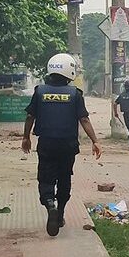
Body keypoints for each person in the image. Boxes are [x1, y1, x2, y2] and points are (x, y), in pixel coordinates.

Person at [22, 53, 102, 237]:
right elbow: (84, 119)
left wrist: (26, 137)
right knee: (64, 177)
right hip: (68, 144)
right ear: (70, 71)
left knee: (46, 176)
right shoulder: (75, 94)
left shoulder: (40, 91)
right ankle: (61, 213)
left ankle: (50, 204)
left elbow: (30, 116)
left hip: (46, 143)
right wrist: (95, 141)